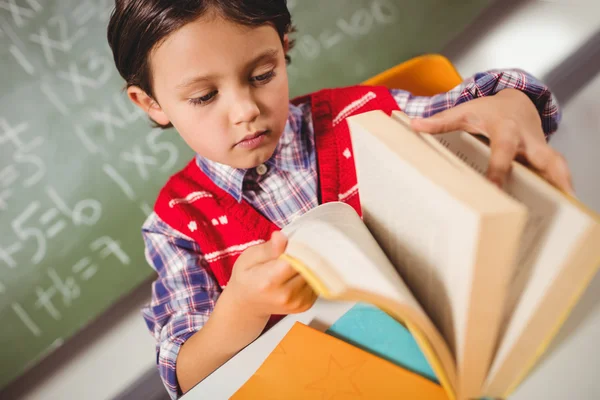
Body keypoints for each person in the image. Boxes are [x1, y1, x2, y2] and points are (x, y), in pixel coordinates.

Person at [107, 0, 573, 397]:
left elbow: (472, 108)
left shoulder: (360, 114)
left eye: (263, 74)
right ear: (151, 103)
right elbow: (185, 378)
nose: (246, 109)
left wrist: (514, 105)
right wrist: (241, 310)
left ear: (284, 48)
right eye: (205, 96)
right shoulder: (178, 223)